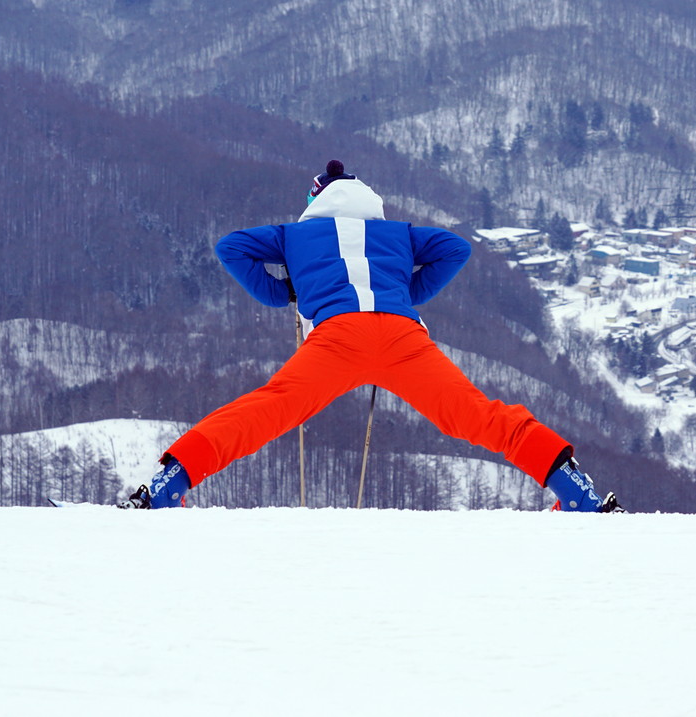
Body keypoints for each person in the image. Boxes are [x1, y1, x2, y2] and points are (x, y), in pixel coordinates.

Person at [124, 160, 621, 513]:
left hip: (337, 337)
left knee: (266, 410)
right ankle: (573, 488)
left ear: (315, 200)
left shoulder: (293, 235)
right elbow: (454, 248)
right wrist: (407, 291)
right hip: (404, 337)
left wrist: (285, 291)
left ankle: (172, 481)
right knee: (479, 415)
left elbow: (231, 247)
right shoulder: (398, 232)